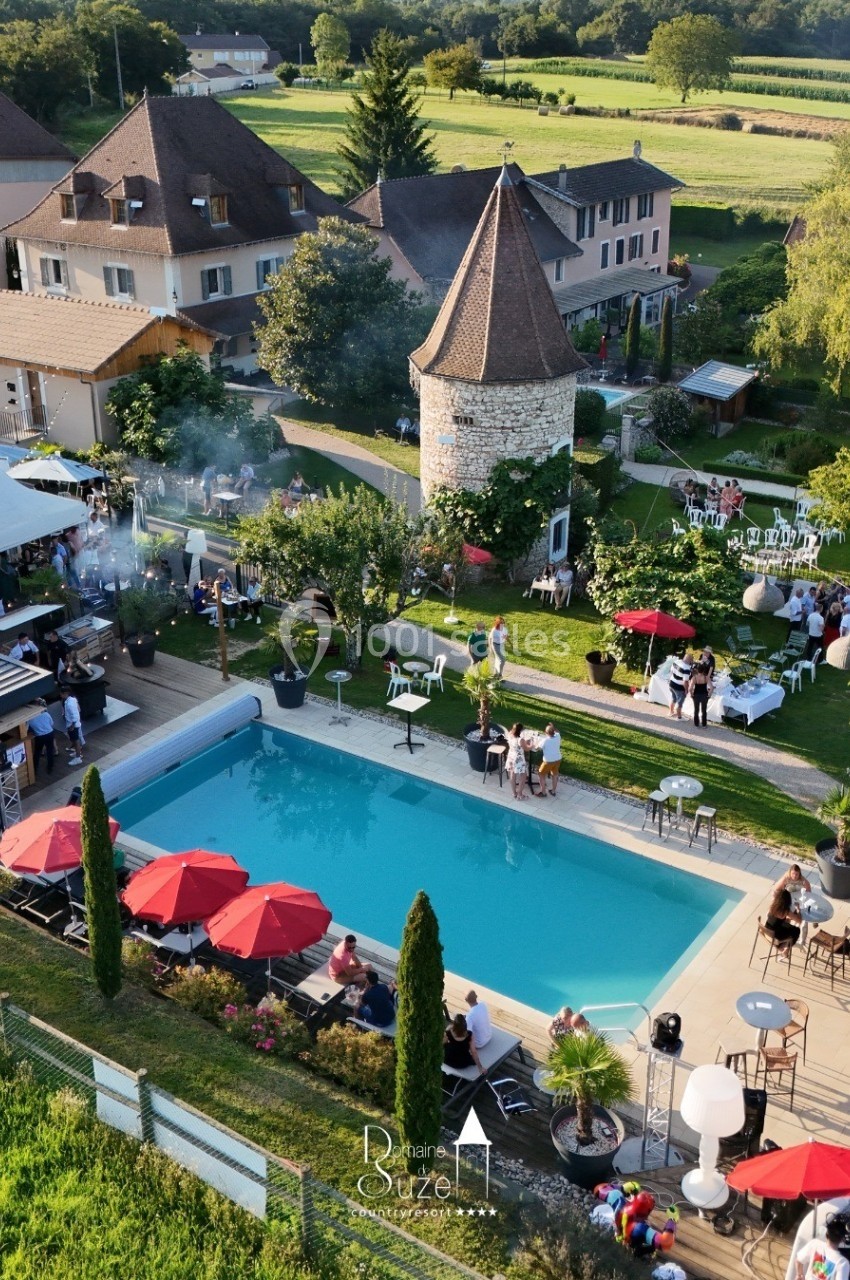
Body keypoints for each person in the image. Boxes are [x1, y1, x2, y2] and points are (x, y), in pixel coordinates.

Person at [765, 887, 802, 952]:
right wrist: (798, 910)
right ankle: (785, 949)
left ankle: (781, 946)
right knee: (796, 930)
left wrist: (788, 918)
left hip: (767, 930)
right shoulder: (785, 911)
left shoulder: (773, 905)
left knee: (787, 924)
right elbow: (799, 921)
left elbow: (772, 917)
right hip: (774, 936)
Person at [27, 700, 57, 775]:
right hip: (49, 733)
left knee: (37, 752)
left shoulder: (30, 719)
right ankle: (50, 767)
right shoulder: (46, 714)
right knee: (50, 750)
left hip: (39, 736)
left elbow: (26, 729)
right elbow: (52, 724)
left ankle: (35, 769)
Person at [60, 688, 84, 767]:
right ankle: (77, 753)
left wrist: (72, 726)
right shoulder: (72, 700)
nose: (60, 695)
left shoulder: (70, 703)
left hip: (72, 725)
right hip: (71, 724)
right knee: (73, 740)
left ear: (65, 693)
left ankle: (78, 758)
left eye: (61, 693)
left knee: (76, 741)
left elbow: (75, 715)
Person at [505, 722, 530, 801]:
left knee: (512, 774)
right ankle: (520, 794)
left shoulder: (510, 735)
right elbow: (527, 748)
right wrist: (531, 744)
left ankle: (514, 793)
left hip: (511, 757)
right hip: (518, 758)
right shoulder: (520, 740)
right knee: (523, 775)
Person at [538, 722, 562, 797]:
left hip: (548, 761)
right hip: (558, 759)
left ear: (546, 732)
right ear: (553, 731)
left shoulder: (545, 740)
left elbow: (538, 747)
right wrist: (553, 727)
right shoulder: (558, 736)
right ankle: (553, 791)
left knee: (541, 774)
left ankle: (543, 792)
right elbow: (557, 732)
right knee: (554, 774)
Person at [688, 659, 713, 729]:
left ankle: (696, 724)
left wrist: (691, 694)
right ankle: (704, 724)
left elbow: (690, 688)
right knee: (704, 710)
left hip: (696, 695)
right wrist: (709, 695)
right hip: (704, 695)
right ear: (704, 670)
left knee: (696, 710)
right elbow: (711, 688)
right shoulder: (706, 678)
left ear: (697, 670)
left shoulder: (694, 678)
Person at [668, 652, 693, 720]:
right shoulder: (687, 668)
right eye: (691, 660)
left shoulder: (676, 661)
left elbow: (671, 671)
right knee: (680, 703)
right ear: (690, 660)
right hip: (679, 687)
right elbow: (685, 681)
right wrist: (686, 690)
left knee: (673, 699)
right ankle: (679, 717)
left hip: (671, 683)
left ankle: (671, 712)